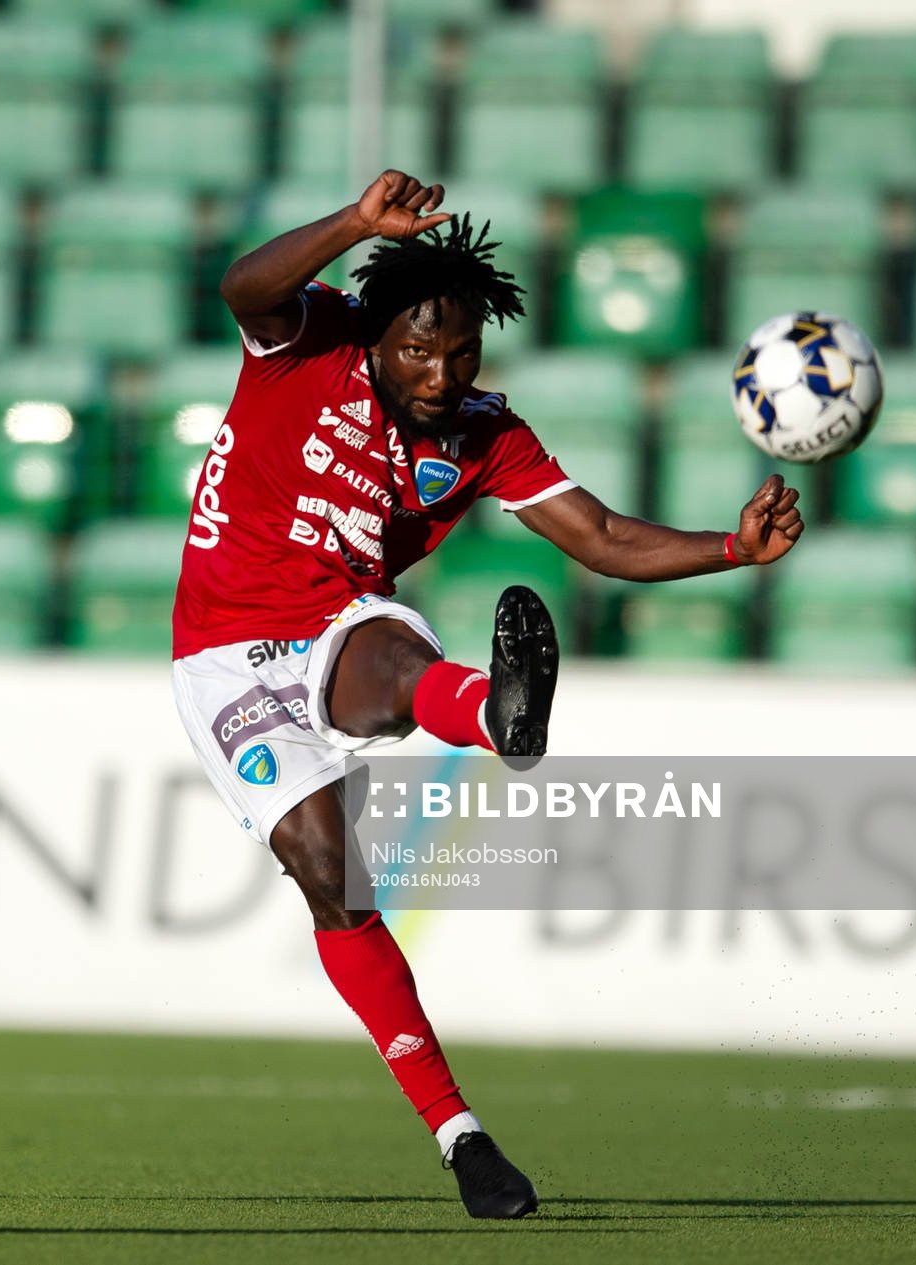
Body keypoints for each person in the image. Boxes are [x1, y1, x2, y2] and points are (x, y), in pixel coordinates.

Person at [170, 171, 803, 1219]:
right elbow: (242, 285)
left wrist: (734, 546)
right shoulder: (308, 337)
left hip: (341, 622)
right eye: (418, 347)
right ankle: (463, 1138)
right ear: (376, 336)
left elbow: (602, 538)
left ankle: (499, 715)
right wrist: (352, 226)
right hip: (224, 653)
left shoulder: (482, 431)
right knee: (334, 881)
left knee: (385, 661)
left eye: (460, 351)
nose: (438, 369)